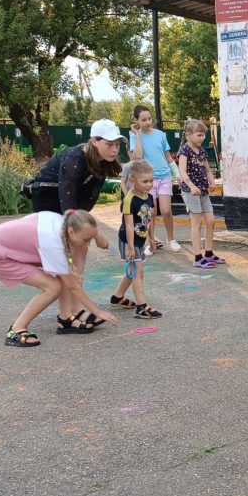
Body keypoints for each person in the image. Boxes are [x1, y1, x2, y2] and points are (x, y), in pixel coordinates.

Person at [24, 119, 124, 328]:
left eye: (117, 144)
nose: (114, 149)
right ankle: (65, 316)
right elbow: (67, 201)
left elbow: (87, 203)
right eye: (109, 144)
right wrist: (95, 234)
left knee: (80, 253)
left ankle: (75, 309)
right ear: (95, 141)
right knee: (64, 258)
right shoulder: (74, 157)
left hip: (70, 206)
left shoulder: (103, 162)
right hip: (48, 200)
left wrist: (88, 234)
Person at [0, 209, 119, 346]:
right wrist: (97, 311)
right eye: (87, 239)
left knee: (74, 256)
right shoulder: (53, 243)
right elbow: (72, 286)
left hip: (11, 249)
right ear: (71, 231)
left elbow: (81, 236)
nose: (88, 243)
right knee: (52, 287)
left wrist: (98, 236)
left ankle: (66, 319)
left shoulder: (67, 222)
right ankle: (16, 330)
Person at [110, 160, 163, 319]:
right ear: (132, 181)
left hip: (139, 240)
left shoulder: (149, 196)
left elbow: (150, 219)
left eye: (151, 181)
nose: (149, 184)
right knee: (138, 271)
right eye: (145, 181)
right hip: (128, 240)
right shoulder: (129, 199)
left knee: (132, 271)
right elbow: (128, 224)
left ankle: (117, 297)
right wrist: (131, 248)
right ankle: (141, 306)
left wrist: (152, 238)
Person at [129, 105, 180, 252]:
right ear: (136, 121)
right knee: (150, 212)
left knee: (166, 210)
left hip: (164, 176)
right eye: (143, 120)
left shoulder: (160, 135)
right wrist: (137, 135)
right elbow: (137, 156)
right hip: (147, 180)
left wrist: (176, 173)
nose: (148, 122)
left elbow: (168, 156)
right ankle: (150, 242)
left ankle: (171, 239)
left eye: (149, 118)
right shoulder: (134, 137)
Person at [177, 118, 223, 268]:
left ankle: (208, 253)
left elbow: (207, 169)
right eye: (199, 135)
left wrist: (211, 181)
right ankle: (197, 257)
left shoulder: (202, 151)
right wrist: (190, 185)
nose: (202, 138)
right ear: (188, 134)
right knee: (196, 223)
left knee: (211, 221)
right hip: (191, 192)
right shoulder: (184, 150)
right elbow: (182, 171)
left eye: (203, 135)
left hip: (203, 191)